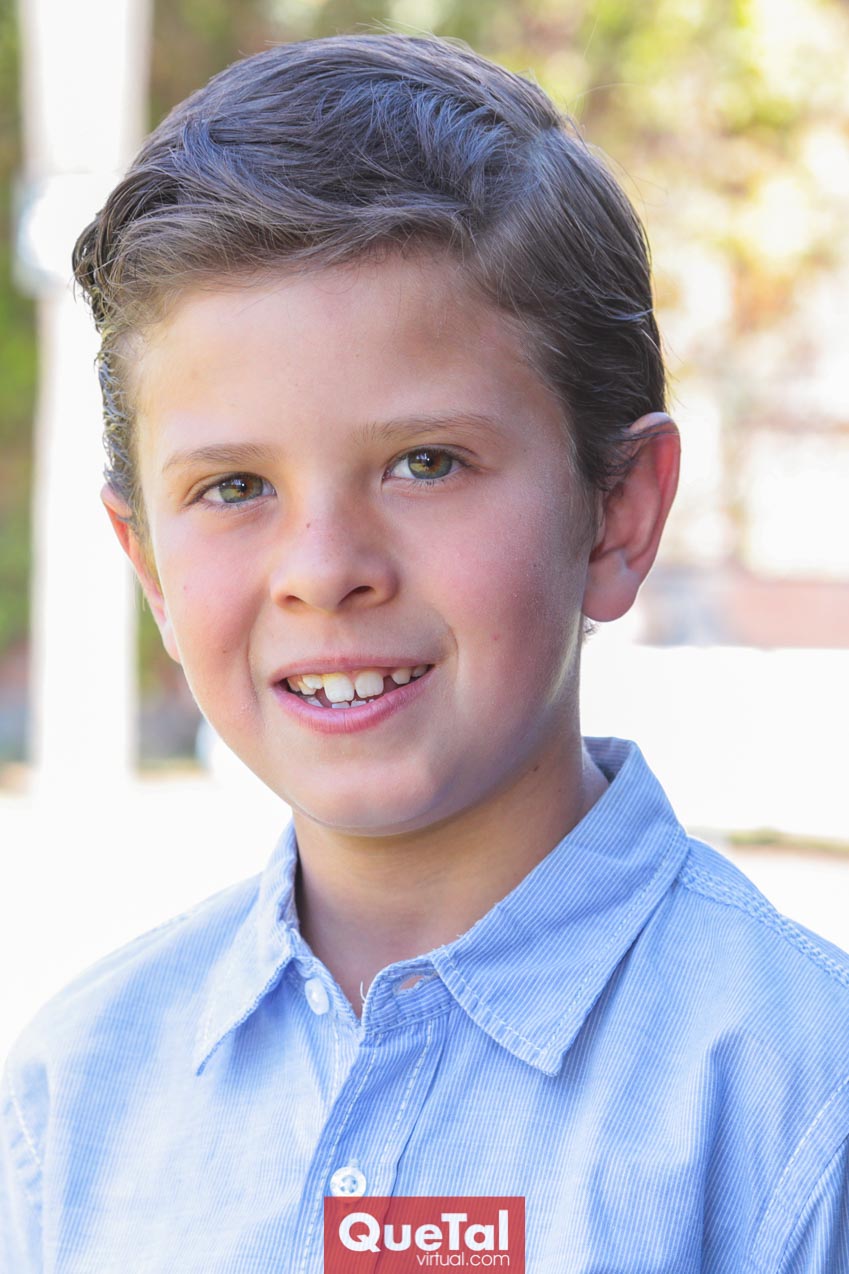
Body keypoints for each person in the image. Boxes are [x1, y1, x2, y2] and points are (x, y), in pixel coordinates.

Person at [2, 31, 848, 1273]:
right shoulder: (73, 1098)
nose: (323, 567)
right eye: (235, 486)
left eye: (425, 462)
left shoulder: (802, 1102)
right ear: (150, 567)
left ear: (617, 510)